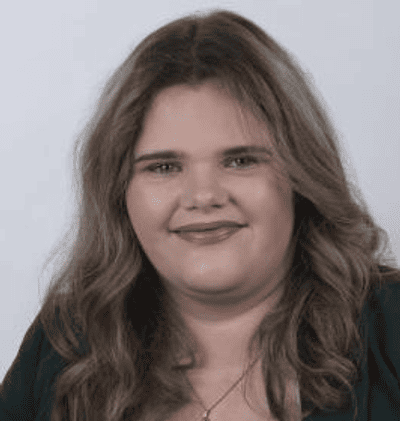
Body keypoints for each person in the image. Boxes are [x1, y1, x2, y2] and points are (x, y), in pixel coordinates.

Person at [1, 8, 399, 421]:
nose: (203, 196)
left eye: (241, 161)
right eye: (164, 167)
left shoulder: (390, 328)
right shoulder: (64, 344)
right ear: (119, 193)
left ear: (302, 177)